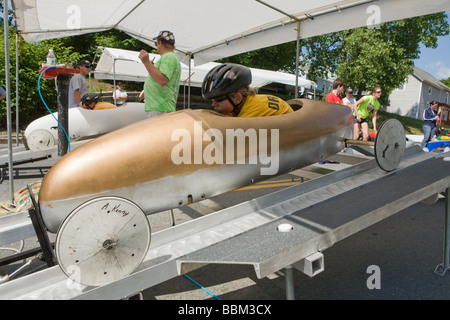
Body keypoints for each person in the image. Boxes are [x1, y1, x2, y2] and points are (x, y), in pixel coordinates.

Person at [202, 63, 293, 117]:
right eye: (212, 100)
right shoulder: (238, 106)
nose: (213, 104)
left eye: (219, 99)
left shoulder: (251, 110)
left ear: (237, 98)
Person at [139, 30, 181, 118]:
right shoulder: (169, 57)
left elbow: (162, 80)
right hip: (159, 107)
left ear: (160, 43)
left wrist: (146, 62)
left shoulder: (169, 57)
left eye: (156, 43)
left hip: (160, 108)